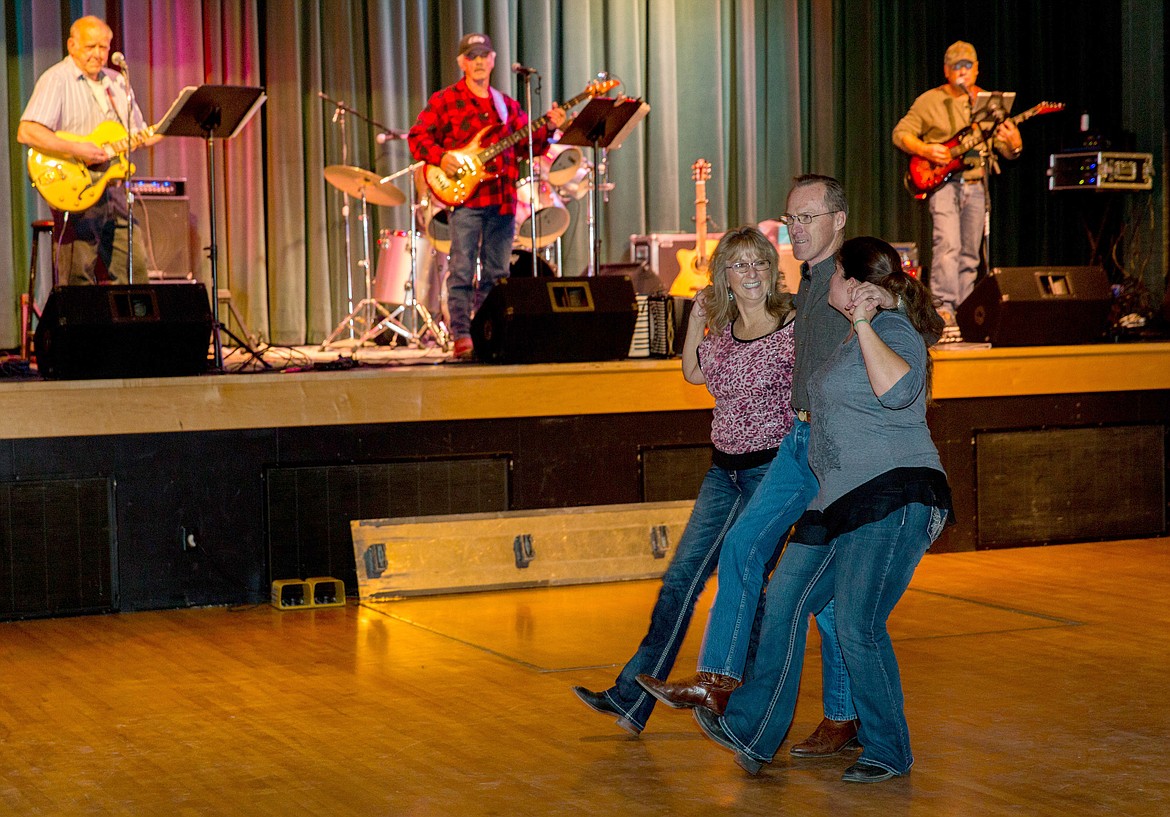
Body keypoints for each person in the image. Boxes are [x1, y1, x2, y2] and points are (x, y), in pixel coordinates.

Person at [636, 175, 896, 758]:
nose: (797, 230)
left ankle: (845, 719)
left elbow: (905, 322)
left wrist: (888, 301)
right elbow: (699, 373)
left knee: (829, 603)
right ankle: (718, 681)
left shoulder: (849, 280)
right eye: (792, 220)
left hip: (838, 455)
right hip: (797, 446)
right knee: (745, 553)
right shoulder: (806, 287)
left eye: (808, 218)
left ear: (839, 220)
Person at [691, 236, 952, 783]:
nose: (823, 284)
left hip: (893, 494)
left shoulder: (892, 330)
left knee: (858, 624)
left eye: (835, 277)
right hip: (834, 501)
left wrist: (863, 322)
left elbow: (900, 391)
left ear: (855, 287)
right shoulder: (841, 343)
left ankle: (888, 750)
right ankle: (753, 729)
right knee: (783, 599)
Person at [571, 226, 796, 735]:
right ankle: (632, 699)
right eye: (739, 266)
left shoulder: (792, 327)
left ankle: (739, 710)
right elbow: (694, 374)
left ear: (772, 269)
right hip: (724, 473)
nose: (751, 274)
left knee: (746, 588)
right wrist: (696, 317)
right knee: (680, 582)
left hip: (770, 474)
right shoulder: (724, 335)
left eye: (759, 263)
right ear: (724, 278)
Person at [408, 33, 566, 360]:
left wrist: (550, 127)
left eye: (484, 55)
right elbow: (417, 137)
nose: (478, 61)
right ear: (461, 62)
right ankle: (462, 336)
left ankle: (491, 332)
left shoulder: (505, 105)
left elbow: (527, 145)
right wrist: (441, 157)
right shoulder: (445, 100)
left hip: (503, 199)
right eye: (471, 56)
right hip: (465, 200)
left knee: (498, 274)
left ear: (493, 59)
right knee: (463, 269)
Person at [17, 15, 162, 285]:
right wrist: (77, 148)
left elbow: (138, 133)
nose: (98, 54)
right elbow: (27, 131)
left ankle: (130, 328)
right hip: (77, 190)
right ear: (72, 46)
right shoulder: (56, 79)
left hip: (114, 189)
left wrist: (169, 125)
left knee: (134, 272)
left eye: (103, 47)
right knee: (78, 277)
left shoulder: (117, 82)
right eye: (90, 47)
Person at [892, 40, 1023, 325]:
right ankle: (943, 309)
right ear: (946, 70)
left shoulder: (990, 104)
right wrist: (926, 149)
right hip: (944, 186)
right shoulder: (930, 100)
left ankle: (965, 308)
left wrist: (1015, 144)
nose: (962, 71)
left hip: (976, 184)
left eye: (968, 66)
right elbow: (900, 133)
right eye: (956, 66)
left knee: (970, 253)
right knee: (947, 246)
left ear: (976, 69)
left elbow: (1006, 148)